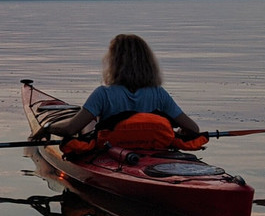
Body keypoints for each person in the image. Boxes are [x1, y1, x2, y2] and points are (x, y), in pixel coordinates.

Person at [45, 34, 200, 139]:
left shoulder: (103, 94)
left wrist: (47, 127)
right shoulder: (159, 94)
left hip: (113, 153)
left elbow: (70, 129)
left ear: (114, 63)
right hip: (152, 151)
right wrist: (177, 134)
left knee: (89, 123)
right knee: (90, 122)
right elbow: (193, 129)